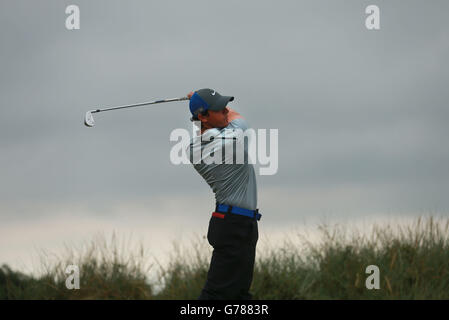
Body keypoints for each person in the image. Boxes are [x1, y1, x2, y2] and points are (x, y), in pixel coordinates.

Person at [186, 88, 261, 300]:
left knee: (237, 294)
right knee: (217, 295)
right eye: (220, 109)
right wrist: (198, 101)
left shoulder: (193, 148)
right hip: (233, 225)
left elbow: (217, 122)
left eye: (225, 106)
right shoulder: (231, 141)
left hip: (237, 224)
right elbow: (238, 118)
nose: (226, 111)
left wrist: (202, 105)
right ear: (203, 116)